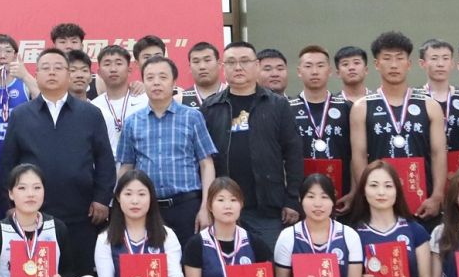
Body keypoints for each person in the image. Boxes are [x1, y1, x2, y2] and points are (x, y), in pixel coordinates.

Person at [3, 48, 116, 277]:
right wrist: (11, 204)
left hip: (82, 213)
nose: (52, 72)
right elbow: (8, 163)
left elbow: (104, 160)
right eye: (45, 68)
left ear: (68, 74)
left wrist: (102, 199)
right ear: (36, 74)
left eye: (58, 68)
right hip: (33, 214)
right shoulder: (21, 115)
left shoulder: (90, 114)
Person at [200, 42, 304, 249]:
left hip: (266, 207)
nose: (238, 67)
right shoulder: (211, 107)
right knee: (226, 262)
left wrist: (292, 199)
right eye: (231, 62)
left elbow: (293, 154)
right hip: (223, 206)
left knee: (266, 263)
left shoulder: (277, 105)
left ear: (256, 65)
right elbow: (203, 160)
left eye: (244, 61)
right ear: (223, 67)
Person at [350, 32, 449, 215]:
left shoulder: (430, 105)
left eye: (399, 58)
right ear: (377, 64)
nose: (394, 65)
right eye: (387, 58)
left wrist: (437, 195)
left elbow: (438, 153)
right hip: (378, 198)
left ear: (409, 64)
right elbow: (359, 155)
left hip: (423, 198)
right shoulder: (361, 107)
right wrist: (365, 195)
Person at [118, 56, 218, 233]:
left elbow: (206, 164)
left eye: (163, 77)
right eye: (150, 78)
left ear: (174, 83)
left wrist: (206, 206)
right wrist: (121, 207)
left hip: (187, 206)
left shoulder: (192, 117)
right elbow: (126, 167)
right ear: (143, 82)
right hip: (147, 208)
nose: (156, 82)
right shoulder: (132, 122)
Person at [417, 39, 459, 177]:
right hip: (425, 168)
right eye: (434, 58)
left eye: (445, 58)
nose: (440, 64)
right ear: (422, 63)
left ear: (452, 63)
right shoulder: (414, 98)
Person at [292, 45, 353, 170]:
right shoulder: (288, 108)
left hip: (340, 181)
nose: (314, 71)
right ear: (299, 71)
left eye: (320, 66)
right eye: (308, 66)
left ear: (330, 71)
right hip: (300, 181)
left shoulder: (346, 107)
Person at [90, 45, 147, 156]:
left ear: (129, 70)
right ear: (99, 73)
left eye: (119, 63)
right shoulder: (93, 106)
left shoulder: (145, 101)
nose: (113, 69)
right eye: (107, 64)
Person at [180, 42, 225, 108]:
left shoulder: (233, 95)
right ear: (190, 67)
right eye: (196, 62)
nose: (202, 66)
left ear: (219, 64)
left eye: (207, 60)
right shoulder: (179, 100)